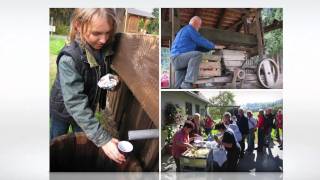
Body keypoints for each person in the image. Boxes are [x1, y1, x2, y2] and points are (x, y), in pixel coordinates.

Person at [49, 8, 125, 164]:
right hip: (62, 110)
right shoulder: (69, 59)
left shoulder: (104, 50)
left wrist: (112, 82)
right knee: (56, 144)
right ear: (78, 25)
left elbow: (100, 77)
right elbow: (75, 101)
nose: (104, 40)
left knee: (84, 143)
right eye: (97, 33)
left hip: (86, 109)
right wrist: (103, 139)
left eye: (108, 33)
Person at [170, 16, 224, 89]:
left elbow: (198, 47)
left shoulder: (185, 32)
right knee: (197, 55)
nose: (199, 27)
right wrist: (214, 46)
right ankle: (188, 81)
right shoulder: (190, 29)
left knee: (177, 86)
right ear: (196, 23)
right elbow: (200, 40)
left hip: (179, 61)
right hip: (178, 58)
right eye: (200, 25)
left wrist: (209, 49)